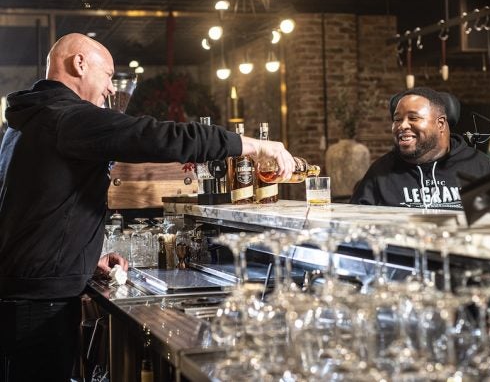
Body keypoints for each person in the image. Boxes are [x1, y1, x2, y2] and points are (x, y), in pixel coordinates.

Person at [0, 33, 295, 381]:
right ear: (79, 64)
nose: (111, 88)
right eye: (108, 75)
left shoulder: (26, 123)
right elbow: (158, 136)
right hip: (39, 305)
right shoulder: (68, 116)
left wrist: (83, 258)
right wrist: (256, 146)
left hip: (25, 296)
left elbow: (35, 208)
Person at [350, 87, 490, 210]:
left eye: (413, 118)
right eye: (397, 119)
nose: (402, 125)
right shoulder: (381, 171)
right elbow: (356, 224)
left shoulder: (479, 165)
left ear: (440, 124)